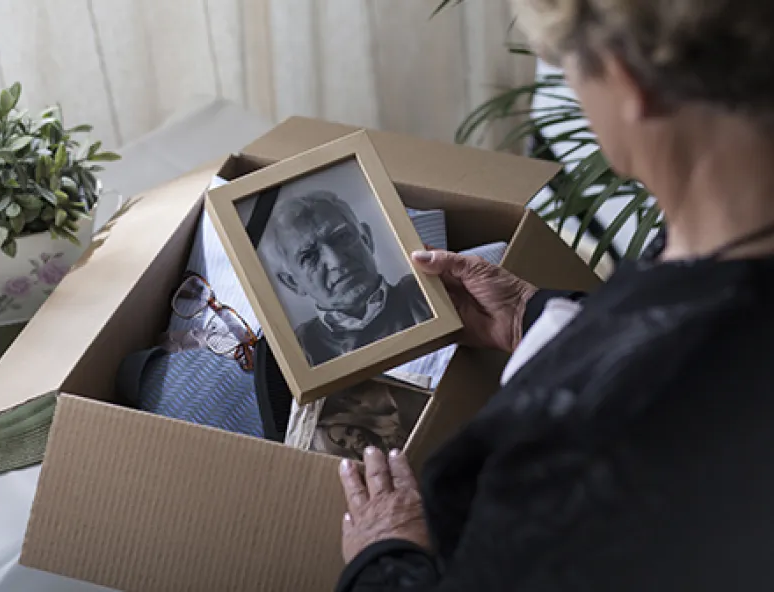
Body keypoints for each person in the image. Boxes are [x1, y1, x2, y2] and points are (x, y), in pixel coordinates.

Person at [335, 1, 774, 590]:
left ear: (627, 82)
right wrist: (537, 319)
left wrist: (386, 555)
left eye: (564, 67)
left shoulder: (579, 441)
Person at [265, 190, 431, 366]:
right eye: (309, 256)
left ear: (366, 239)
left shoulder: (425, 293)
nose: (336, 261)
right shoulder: (299, 351)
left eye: (342, 237)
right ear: (292, 283)